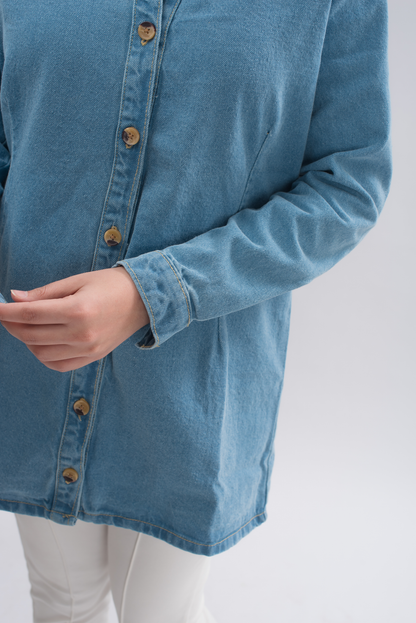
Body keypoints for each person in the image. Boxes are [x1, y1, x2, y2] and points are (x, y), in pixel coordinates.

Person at [0, 0, 391, 621]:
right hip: (32, 362)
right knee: (60, 603)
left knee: (160, 613)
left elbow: (347, 185)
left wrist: (156, 290)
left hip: (192, 379)